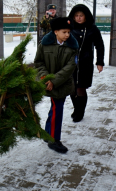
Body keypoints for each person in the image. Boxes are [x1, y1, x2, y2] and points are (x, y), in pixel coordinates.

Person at [34, 17, 78, 153]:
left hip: (62, 84)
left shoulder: (72, 47)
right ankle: (53, 139)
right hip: (47, 82)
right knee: (56, 109)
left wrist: (54, 81)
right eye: (64, 32)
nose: (67, 35)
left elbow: (70, 67)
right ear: (55, 32)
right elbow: (39, 62)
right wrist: (45, 78)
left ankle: (51, 136)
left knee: (57, 108)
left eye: (68, 32)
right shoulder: (45, 44)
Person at [68, 4, 105, 122]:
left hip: (85, 63)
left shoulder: (92, 29)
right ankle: (76, 108)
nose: (79, 18)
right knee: (72, 88)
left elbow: (100, 45)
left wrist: (100, 62)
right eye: (76, 16)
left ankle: (80, 112)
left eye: (81, 16)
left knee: (80, 89)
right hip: (71, 63)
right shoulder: (69, 27)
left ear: (86, 16)